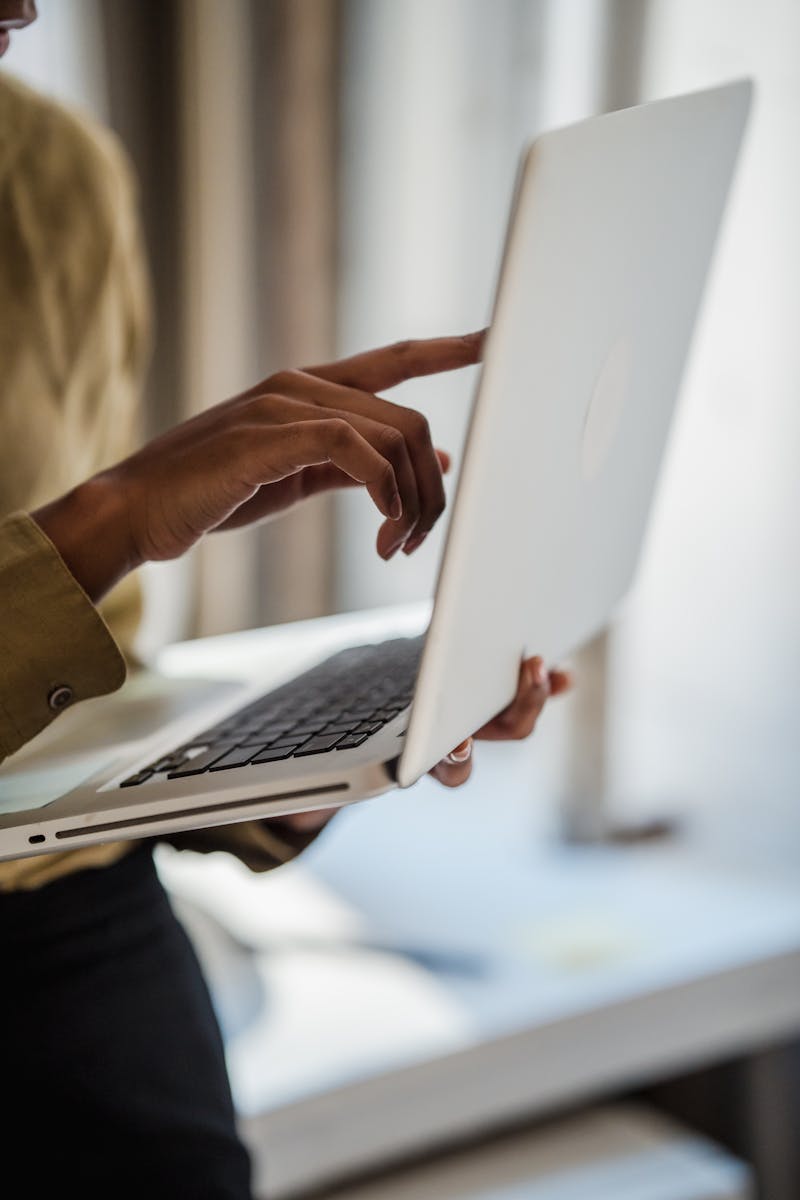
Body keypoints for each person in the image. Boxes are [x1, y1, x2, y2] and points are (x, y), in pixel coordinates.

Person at [0, 3, 570, 1195]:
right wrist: (109, 516)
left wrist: (303, 768)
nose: (27, 9)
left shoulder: (53, 173)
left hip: (66, 922)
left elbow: (70, 707)